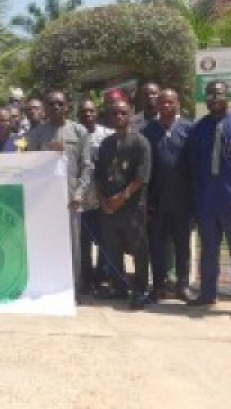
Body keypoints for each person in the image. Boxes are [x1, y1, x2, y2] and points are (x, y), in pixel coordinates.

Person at [186, 80, 231, 321]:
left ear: (228, 96)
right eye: (210, 95)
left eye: (218, 94)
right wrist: (195, 205)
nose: (214, 99)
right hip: (207, 204)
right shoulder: (198, 129)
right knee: (208, 252)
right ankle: (207, 294)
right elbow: (193, 170)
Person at [27, 90, 87, 296]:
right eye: (51, 104)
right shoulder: (36, 134)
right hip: (44, 199)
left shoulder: (79, 131)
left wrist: (79, 192)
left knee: (73, 245)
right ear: (45, 108)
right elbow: (30, 165)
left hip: (71, 199)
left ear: (67, 106)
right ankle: (48, 287)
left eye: (60, 104)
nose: (56, 107)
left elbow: (87, 166)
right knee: (46, 242)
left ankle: (74, 289)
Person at [93, 100, 151, 310]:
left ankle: (140, 290)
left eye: (123, 113)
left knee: (138, 250)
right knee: (112, 249)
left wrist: (122, 197)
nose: (118, 116)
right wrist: (103, 201)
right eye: (114, 113)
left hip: (132, 208)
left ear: (130, 114)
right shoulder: (106, 144)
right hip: (109, 208)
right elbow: (98, 175)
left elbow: (142, 177)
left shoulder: (140, 143)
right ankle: (118, 288)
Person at [140, 89, 193, 303]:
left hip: (183, 200)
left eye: (170, 102)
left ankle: (182, 286)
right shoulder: (148, 130)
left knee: (183, 246)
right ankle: (158, 287)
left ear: (178, 103)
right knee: (157, 246)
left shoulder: (189, 129)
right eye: (162, 102)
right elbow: (144, 167)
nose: (166, 106)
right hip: (157, 200)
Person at [74, 99, 113, 295]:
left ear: (97, 113)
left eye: (91, 111)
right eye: (83, 112)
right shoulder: (74, 135)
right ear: (78, 115)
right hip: (82, 199)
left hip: (104, 198)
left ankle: (103, 278)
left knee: (106, 241)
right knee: (84, 243)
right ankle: (87, 279)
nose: (87, 114)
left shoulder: (107, 134)